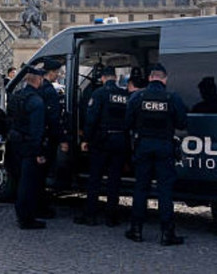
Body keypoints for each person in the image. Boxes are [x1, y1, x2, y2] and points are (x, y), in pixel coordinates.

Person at [125, 63, 187, 246]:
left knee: (141, 188)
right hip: (164, 146)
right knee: (165, 191)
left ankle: (136, 230)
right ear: (165, 79)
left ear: (151, 78)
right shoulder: (172, 97)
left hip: (143, 145)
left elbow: (127, 122)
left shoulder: (137, 96)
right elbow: (182, 123)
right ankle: (167, 234)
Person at [75, 66, 130, 227]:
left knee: (95, 179)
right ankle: (111, 217)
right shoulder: (124, 95)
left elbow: (91, 119)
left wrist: (85, 139)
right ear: (115, 77)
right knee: (114, 180)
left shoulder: (99, 94)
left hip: (102, 141)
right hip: (120, 140)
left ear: (103, 78)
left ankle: (90, 215)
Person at [6, 66, 47, 229]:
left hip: (15, 144)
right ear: (38, 80)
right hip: (29, 146)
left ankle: (21, 213)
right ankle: (26, 218)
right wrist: (39, 152)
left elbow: (9, 119)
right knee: (28, 183)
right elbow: (37, 130)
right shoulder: (37, 102)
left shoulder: (16, 96)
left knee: (19, 180)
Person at [37, 58, 69, 218]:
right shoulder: (49, 91)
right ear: (51, 72)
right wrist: (63, 139)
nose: (59, 75)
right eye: (57, 72)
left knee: (38, 175)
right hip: (48, 138)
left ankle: (38, 205)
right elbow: (54, 118)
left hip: (39, 137)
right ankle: (41, 208)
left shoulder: (39, 88)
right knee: (43, 174)